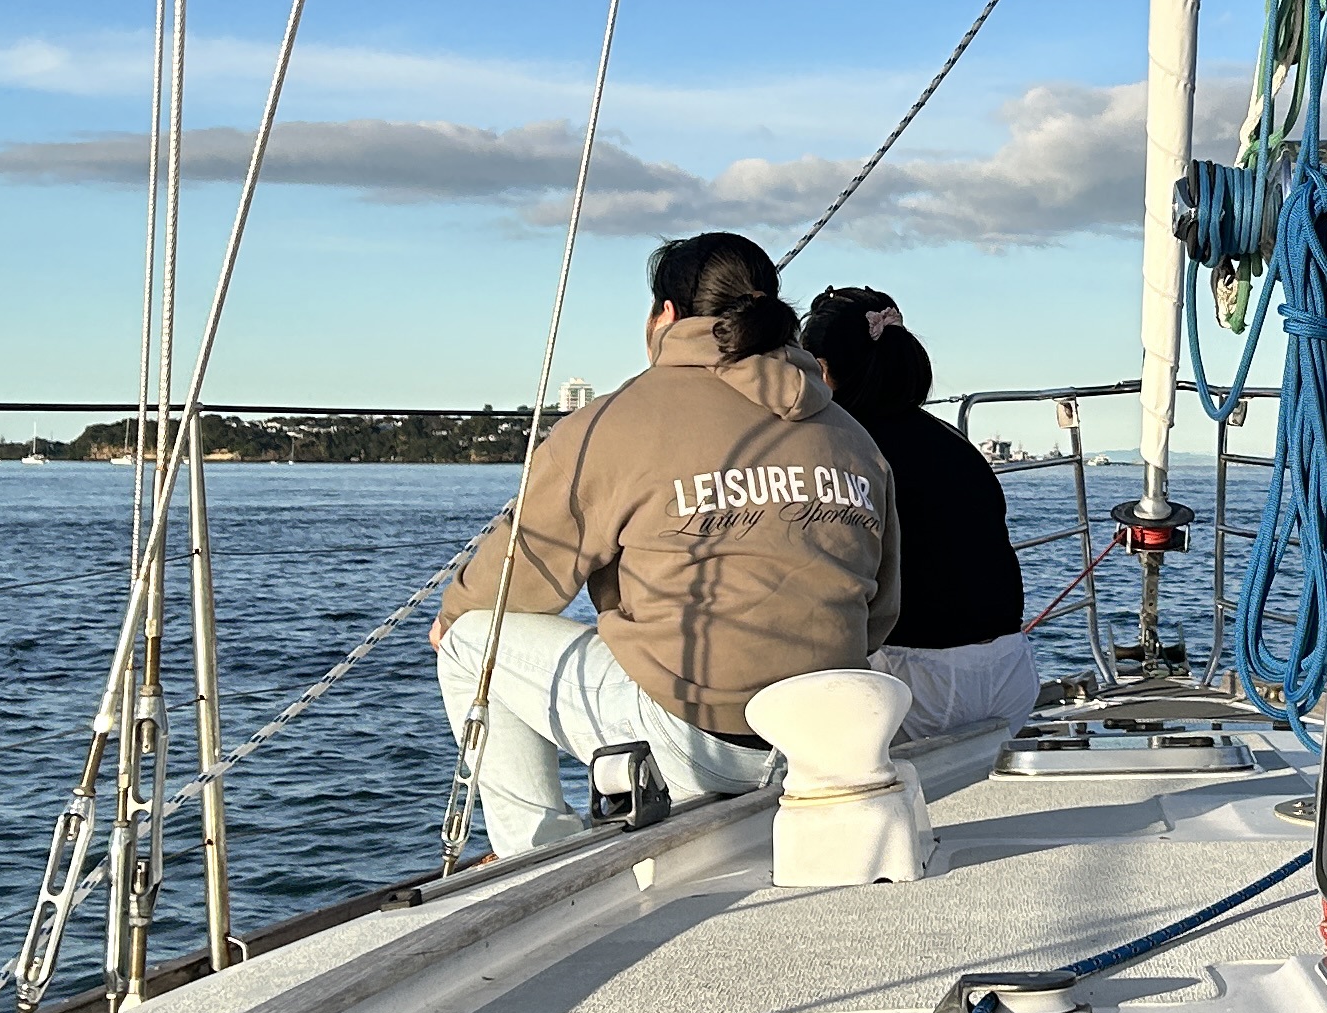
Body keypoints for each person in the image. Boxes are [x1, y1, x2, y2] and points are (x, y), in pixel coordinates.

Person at [431, 232, 899, 857]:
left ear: (666, 314)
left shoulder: (612, 422)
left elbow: (521, 581)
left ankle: (533, 853)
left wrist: (454, 613)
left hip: (697, 741)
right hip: (830, 734)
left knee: (471, 640)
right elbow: (881, 611)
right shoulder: (853, 436)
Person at [805, 286, 1040, 735]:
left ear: (822, 370)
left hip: (917, 687)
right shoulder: (954, 442)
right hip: (1009, 674)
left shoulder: (843, 449)